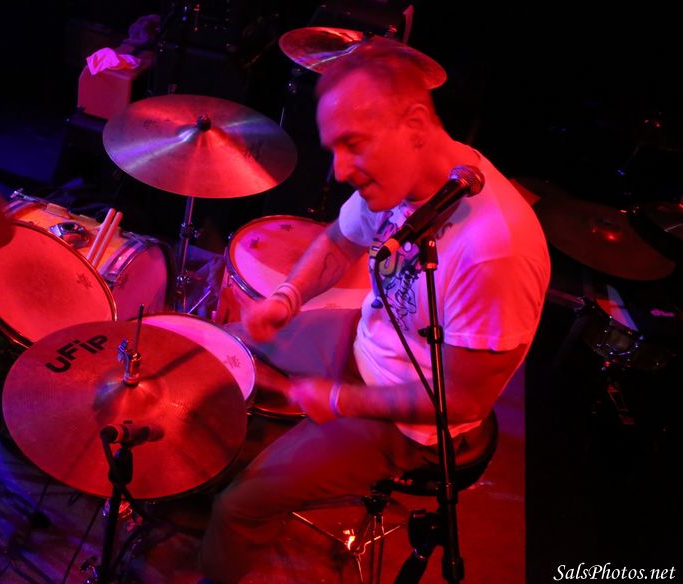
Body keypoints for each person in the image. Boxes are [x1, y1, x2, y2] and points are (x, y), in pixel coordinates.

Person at [199, 38, 550, 582]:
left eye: (353, 144)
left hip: (414, 423)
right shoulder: (402, 177)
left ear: (415, 123)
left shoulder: (495, 250)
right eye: (333, 148)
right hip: (366, 344)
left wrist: (339, 399)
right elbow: (339, 241)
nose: (339, 170)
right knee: (223, 352)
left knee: (236, 508)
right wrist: (286, 297)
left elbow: (463, 398)